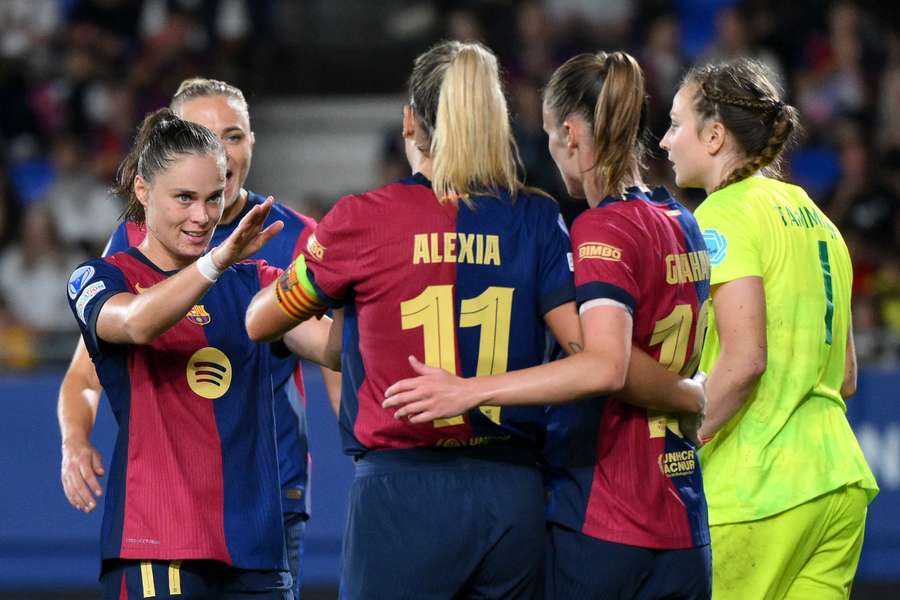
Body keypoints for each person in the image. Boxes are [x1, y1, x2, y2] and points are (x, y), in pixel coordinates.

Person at [246, 42, 704, 599]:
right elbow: (594, 355)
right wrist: (686, 392)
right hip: (513, 498)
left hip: (403, 497)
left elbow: (260, 323)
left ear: (410, 122)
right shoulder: (537, 217)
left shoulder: (362, 220)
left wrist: (287, 295)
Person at [383, 51, 712, 599]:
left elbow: (606, 365)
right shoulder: (683, 223)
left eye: (551, 139)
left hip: (606, 516)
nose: (553, 155)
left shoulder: (600, 229)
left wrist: (469, 391)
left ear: (572, 133)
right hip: (683, 517)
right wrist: (689, 394)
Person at [57, 78, 340, 600]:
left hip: (259, 532)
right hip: (159, 537)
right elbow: (136, 324)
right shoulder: (100, 274)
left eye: (210, 199)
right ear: (143, 191)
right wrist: (74, 439)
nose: (202, 215)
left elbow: (335, 352)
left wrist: (357, 281)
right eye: (185, 198)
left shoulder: (259, 275)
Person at [659, 58, 878, 599]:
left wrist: (686, 448)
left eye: (674, 124)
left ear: (713, 136)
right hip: (837, 485)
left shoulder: (721, 217)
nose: (665, 142)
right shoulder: (821, 221)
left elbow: (744, 361)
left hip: (755, 492)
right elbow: (846, 377)